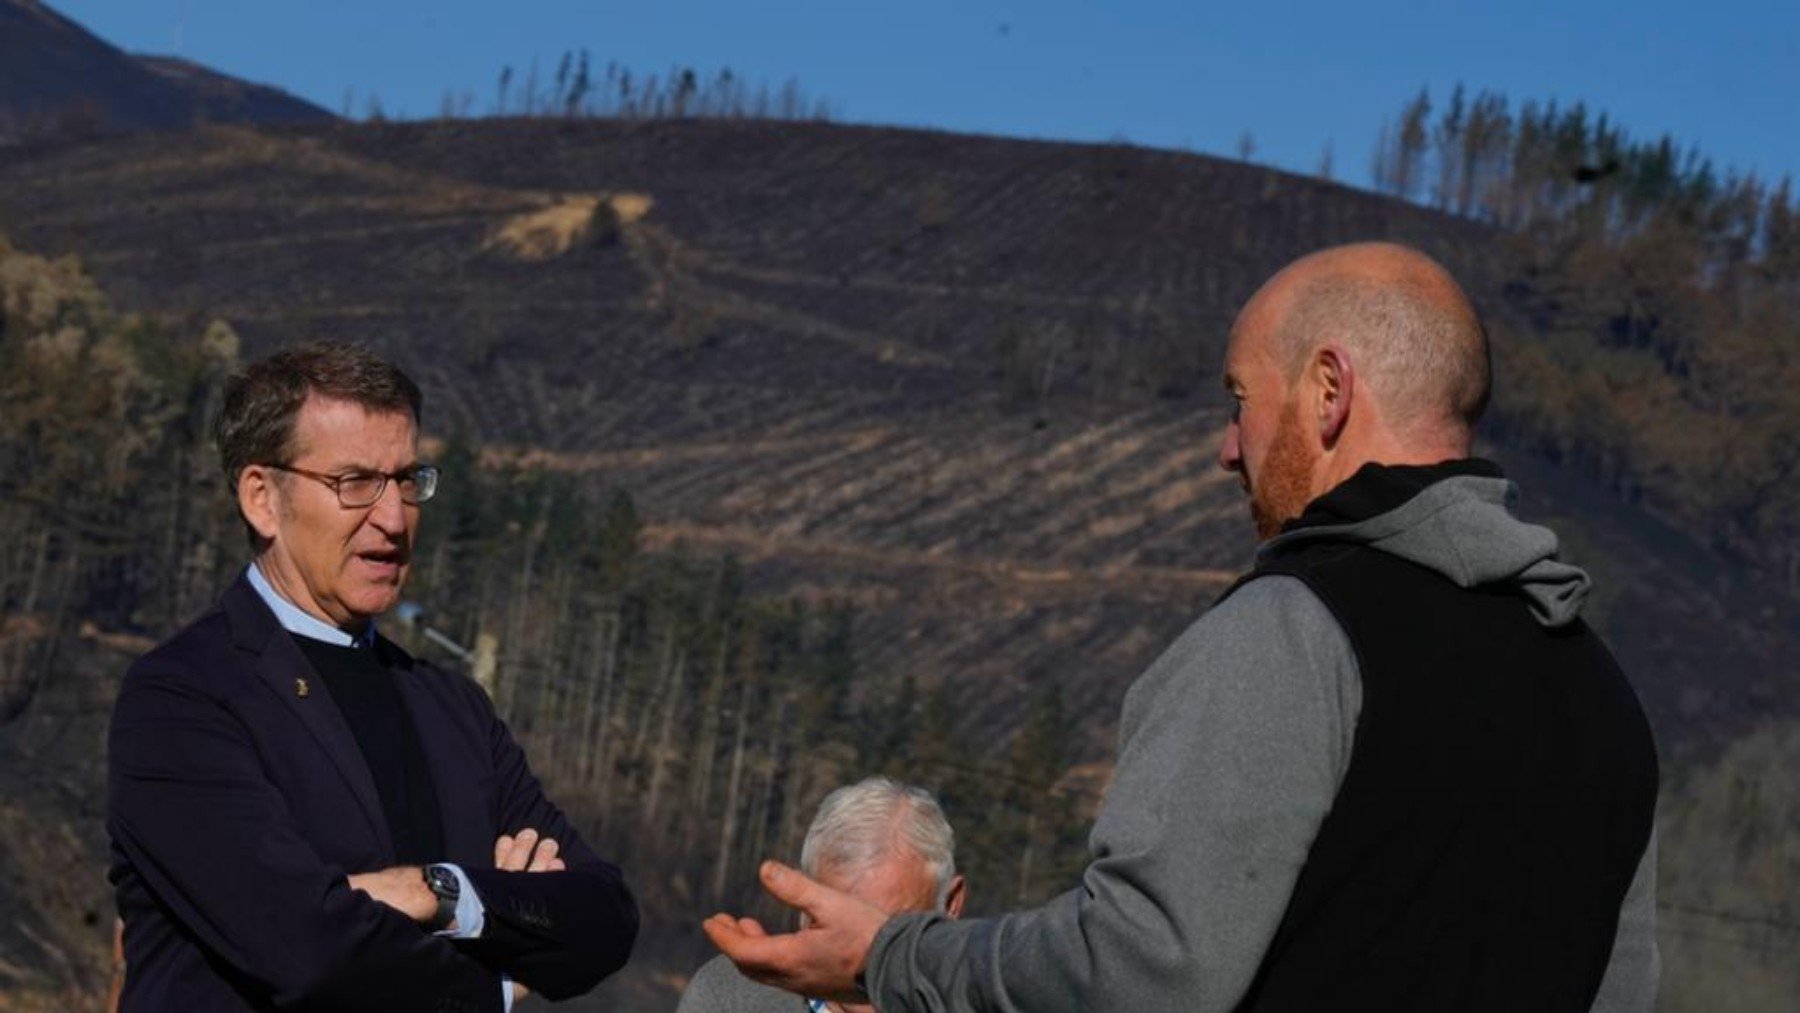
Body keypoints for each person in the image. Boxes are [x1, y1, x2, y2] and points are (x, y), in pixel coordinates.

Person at [704, 243, 1659, 1012]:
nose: (1226, 447)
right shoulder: (1605, 699)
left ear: (1328, 389)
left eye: (1241, 399)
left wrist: (892, 956)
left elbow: (1143, 972)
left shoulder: (1293, 631)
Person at [107, 342, 638, 1011]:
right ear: (261, 498)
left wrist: (437, 891)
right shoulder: (182, 699)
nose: (393, 518)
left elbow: (607, 915)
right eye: (354, 482)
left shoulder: (453, 709)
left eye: (407, 479)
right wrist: (499, 976)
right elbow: (305, 945)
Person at [678, 777, 966, 1013]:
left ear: (950, 904)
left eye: (893, 933)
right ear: (802, 908)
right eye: (836, 925)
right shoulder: (732, 998)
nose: (864, 957)